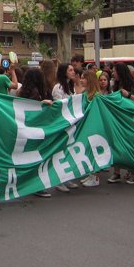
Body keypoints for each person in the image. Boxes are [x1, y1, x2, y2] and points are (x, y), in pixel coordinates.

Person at [17, 67, 53, 198]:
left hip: (24, 130)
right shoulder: (36, 92)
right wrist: (42, 103)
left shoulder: (22, 92)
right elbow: (34, 110)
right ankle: (37, 186)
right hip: (35, 131)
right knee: (37, 158)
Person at [108, 62, 134, 184]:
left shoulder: (132, 84)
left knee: (129, 146)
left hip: (129, 120)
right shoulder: (115, 85)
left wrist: (128, 95)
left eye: (115, 71)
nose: (113, 73)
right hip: (118, 119)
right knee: (116, 145)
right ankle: (117, 172)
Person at [51, 63, 80, 192]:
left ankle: (66, 178)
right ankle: (58, 180)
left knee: (67, 151)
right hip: (62, 124)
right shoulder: (58, 87)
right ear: (64, 72)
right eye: (70, 70)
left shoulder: (70, 86)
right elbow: (59, 106)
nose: (73, 72)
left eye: (73, 70)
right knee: (60, 152)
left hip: (71, 124)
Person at [79, 69, 101, 187]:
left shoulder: (96, 96)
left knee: (94, 151)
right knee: (88, 150)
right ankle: (91, 174)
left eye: (83, 78)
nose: (81, 80)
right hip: (86, 126)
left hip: (94, 127)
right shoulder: (85, 94)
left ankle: (95, 177)